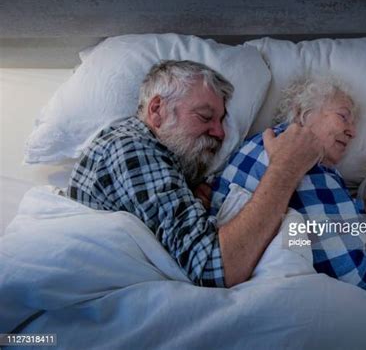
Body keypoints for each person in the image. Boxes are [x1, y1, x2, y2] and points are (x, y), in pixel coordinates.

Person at [66, 60, 327, 288]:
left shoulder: (142, 151)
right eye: (205, 116)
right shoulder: (131, 148)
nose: (220, 132)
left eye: (222, 121)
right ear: (157, 110)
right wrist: (285, 169)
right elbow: (214, 269)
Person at [211, 75, 366, 292]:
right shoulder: (304, 162)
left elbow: (350, 234)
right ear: (303, 114)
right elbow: (355, 275)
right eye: (343, 116)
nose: (353, 132)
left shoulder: (256, 146)